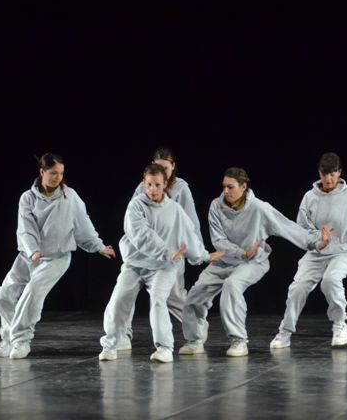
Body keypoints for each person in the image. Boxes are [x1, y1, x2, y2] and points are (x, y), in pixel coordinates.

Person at [178, 167, 332, 357]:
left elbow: (288, 227)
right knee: (195, 295)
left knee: (232, 285)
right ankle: (194, 340)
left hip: (253, 262)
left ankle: (238, 340)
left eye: (230, 187)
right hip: (225, 261)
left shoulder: (260, 208)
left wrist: (316, 243)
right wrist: (241, 252)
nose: (226, 191)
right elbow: (218, 241)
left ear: (243, 187)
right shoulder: (216, 206)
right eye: (224, 186)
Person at [0, 153, 116, 359]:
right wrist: (33, 251)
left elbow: (83, 225)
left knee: (33, 292)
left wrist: (99, 246)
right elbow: (25, 229)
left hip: (57, 257)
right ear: (42, 172)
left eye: (61, 173)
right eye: (53, 173)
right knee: (1, 296)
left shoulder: (69, 197)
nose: (58, 177)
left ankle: (21, 340)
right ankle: (8, 339)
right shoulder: (27, 198)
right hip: (28, 257)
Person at [99, 164, 222, 363]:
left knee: (158, 301)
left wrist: (203, 256)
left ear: (165, 184)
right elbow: (141, 234)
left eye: (157, 185)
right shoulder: (135, 206)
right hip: (135, 265)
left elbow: (188, 234)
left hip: (164, 267)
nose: (153, 189)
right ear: (144, 183)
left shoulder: (174, 209)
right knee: (119, 299)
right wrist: (165, 252)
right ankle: (110, 345)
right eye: (149, 184)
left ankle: (165, 348)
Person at [269, 152, 347, 349]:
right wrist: (318, 239)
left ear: (340, 173)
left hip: (342, 252)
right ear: (319, 173)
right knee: (297, 289)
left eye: (333, 173)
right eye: (325, 174)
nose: (329, 179)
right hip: (316, 253)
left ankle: (340, 324)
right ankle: (284, 332)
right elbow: (302, 229)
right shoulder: (310, 197)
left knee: (330, 280)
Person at [117, 148, 202, 351]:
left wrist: (196, 251)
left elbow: (190, 221)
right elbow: (133, 219)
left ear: (173, 167)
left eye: (166, 167)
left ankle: (197, 327)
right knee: (125, 293)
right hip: (144, 252)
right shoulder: (143, 187)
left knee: (173, 297)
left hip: (172, 252)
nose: (162, 171)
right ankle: (123, 334)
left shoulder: (181, 188)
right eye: (158, 166)